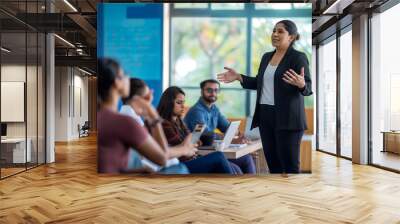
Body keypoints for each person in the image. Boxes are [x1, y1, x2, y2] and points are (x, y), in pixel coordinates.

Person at [217, 20, 313, 174]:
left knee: (290, 168)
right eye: (274, 30)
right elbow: (259, 82)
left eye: (280, 31)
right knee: (273, 167)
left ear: (291, 37)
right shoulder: (266, 57)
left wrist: (301, 84)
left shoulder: (297, 57)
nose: (275, 34)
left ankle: (292, 196)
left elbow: (307, 88)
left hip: (288, 120)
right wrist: (238, 77)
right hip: (266, 118)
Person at [97, 58, 195, 174]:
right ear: (117, 82)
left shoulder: (100, 117)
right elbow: (162, 158)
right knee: (181, 169)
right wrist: (153, 115)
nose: (128, 78)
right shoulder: (124, 122)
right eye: (124, 74)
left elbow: (111, 164)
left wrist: (140, 170)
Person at [183, 80, 256, 174]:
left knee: (247, 159)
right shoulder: (196, 111)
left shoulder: (214, 109)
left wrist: (240, 135)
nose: (213, 93)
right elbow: (208, 136)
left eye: (216, 90)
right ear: (201, 91)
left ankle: (252, 187)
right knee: (236, 168)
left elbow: (226, 127)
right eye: (209, 90)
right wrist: (232, 140)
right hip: (199, 154)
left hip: (212, 151)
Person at [157, 86, 235, 174]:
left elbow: (193, 142)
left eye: (183, 102)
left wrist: (193, 141)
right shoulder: (163, 124)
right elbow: (183, 147)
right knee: (219, 156)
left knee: (234, 166)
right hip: (180, 164)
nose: (183, 106)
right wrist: (191, 141)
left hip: (191, 159)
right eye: (179, 103)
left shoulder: (179, 121)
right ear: (168, 103)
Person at [120, 78, 188, 173]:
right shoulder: (131, 121)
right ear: (140, 99)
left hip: (145, 167)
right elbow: (161, 155)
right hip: (145, 171)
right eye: (148, 95)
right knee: (181, 169)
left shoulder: (129, 116)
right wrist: (185, 149)